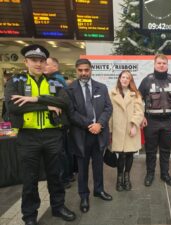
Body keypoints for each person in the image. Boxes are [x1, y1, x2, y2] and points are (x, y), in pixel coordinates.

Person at [4, 44, 76, 225]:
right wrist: (46, 105)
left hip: (53, 135)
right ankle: (29, 216)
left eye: (41, 60)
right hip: (28, 137)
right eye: (34, 60)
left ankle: (58, 207)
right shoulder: (16, 81)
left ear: (46, 62)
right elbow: (13, 106)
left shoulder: (56, 82)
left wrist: (35, 99)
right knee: (29, 179)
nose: (38, 63)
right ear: (26, 61)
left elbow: (64, 103)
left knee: (56, 175)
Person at [67, 59, 113, 213]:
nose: (83, 73)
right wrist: (89, 124)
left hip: (99, 133)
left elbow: (108, 108)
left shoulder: (101, 87)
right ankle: (84, 196)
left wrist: (99, 124)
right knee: (83, 168)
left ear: (91, 70)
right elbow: (71, 113)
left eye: (86, 70)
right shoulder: (70, 89)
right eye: (80, 70)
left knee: (99, 165)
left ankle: (98, 190)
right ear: (76, 70)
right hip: (81, 135)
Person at [138, 54, 171, 187]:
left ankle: (165, 174)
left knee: (166, 150)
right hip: (151, 121)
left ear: (167, 65)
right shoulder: (147, 80)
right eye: (159, 63)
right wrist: (142, 116)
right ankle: (150, 174)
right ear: (154, 64)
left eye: (164, 63)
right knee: (150, 151)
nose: (161, 65)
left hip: (168, 121)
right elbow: (138, 100)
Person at [109, 70, 144, 191]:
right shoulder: (112, 93)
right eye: (122, 77)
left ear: (130, 81)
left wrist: (134, 126)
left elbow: (139, 112)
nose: (124, 79)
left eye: (127, 78)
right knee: (121, 155)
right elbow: (109, 112)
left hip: (131, 129)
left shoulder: (136, 94)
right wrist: (109, 130)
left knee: (130, 154)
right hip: (118, 129)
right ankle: (119, 178)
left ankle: (127, 176)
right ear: (119, 79)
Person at [44, 57, 74, 189]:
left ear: (55, 67)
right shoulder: (59, 80)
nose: (44, 66)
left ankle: (65, 178)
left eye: (47, 64)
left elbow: (57, 101)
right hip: (63, 120)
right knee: (65, 149)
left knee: (61, 151)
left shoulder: (54, 81)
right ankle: (69, 175)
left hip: (59, 121)